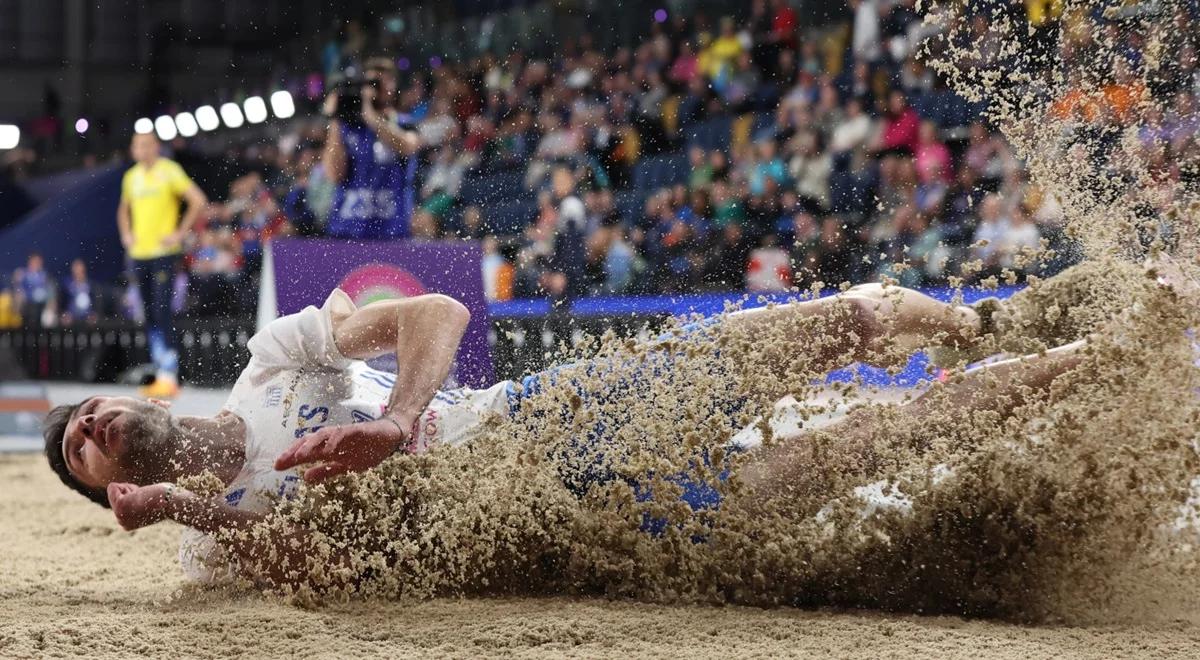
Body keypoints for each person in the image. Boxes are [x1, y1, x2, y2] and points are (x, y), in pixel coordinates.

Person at [42, 258, 1170, 588]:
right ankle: (1108, 365)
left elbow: (436, 310)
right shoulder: (202, 542)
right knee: (881, 444)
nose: (90, 424)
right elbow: (323, 573)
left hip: (538, 423)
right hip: (578, 530)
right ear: (106, 491)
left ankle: (1000, 319)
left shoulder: (271, 360)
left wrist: (400, 418)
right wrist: (190, 508)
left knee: (833, 324)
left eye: (89, 411)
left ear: (137, 399)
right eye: (78, 448)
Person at [118, 132, 208, 398]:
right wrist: (126, 234)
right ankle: (161, 372)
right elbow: (123, 209)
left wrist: (180, 233)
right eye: (136, 145)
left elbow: (198, 200)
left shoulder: (169, 171)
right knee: (148, 313)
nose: (141, 149)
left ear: (156, 147)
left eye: (146, 144)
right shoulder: (131, 177)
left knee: (161, 310)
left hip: (163, 252)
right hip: (139, 254)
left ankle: (169, 374)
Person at [322, 57, 422, 240]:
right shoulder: (346, 128)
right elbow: (334, 174)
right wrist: (336, 118)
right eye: (369, 83)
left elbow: (407, 146)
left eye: (377, 82)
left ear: (392, 85)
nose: (372, 89)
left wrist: (370, 114)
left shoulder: (404, 124)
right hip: (346, 229)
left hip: (390, 230)